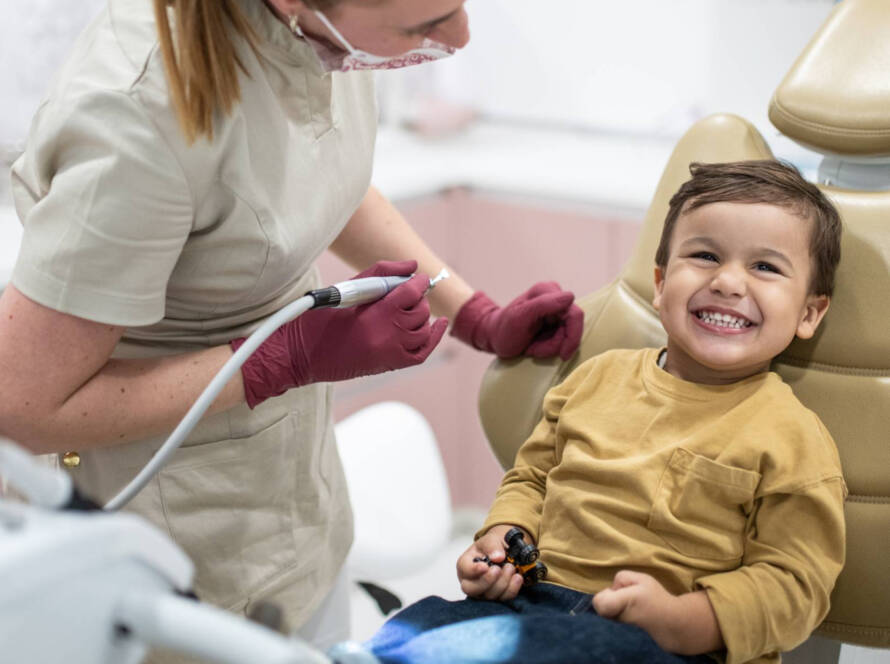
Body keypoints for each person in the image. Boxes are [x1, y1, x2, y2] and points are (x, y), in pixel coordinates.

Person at [0, 0, 583, 659]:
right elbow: (19, 405)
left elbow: (314, 175)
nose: (461, 38)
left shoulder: (320, 34)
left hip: (294, 509)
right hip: (166, 557)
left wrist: (473, 312)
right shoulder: (137, 113)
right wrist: (282, 358)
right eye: (423, 26)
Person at [365, 160, 847, 664]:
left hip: (669, 644)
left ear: (809, 312)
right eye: (705, 255)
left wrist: (687, 622)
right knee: (419, 625)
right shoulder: (597, 377)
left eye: (765, 267)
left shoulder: (793, 436)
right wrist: (503, 539)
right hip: (533, 605)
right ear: (660, 284)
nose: (728, 282)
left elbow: (795, 586)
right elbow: (532, 478)